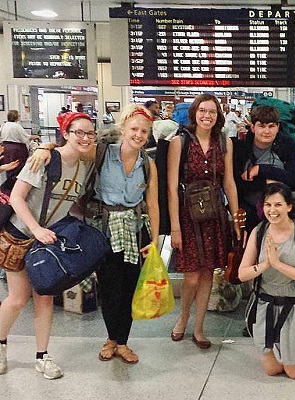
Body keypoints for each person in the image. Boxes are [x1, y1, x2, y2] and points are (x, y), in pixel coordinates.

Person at [0, 112, 95, 379]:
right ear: (65, 133)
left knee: (45, 299)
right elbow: (17, 198)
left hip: (49, 240)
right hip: (20, 235)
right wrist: (36, 229)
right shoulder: (43, 159)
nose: (85, 138)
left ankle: (42, 356)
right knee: (18, 299)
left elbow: (70, 205)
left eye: (90, 133)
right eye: (79, 132)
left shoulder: (82, 168)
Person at [168, 94, 240, 348]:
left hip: (214, 214)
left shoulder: (224, 143)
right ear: (194, 114)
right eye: (202, 111)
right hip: (188, 216)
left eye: (212, 111)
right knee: (191, 277)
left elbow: (228, 181)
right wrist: (175, 225)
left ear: (218, 116)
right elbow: (172, 188)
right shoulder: (180, 142)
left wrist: (235, 216)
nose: (207, 115)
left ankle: (199, 328)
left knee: (208, 272)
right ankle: (183, 317)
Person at [90, 104, 159, 364]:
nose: (139, 134)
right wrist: (46, 147)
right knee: (109, 289)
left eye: (144, 131)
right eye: (134, 129)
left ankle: (123, 342)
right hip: (104, 230)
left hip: (135, 231)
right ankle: (110, 338)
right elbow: (70, 153)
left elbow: (153, 204)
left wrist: (154, 241)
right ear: (123, 128)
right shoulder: (101, 153)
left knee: (130, 289)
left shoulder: (148, 165)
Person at [238, 182, 295, 379]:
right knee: (272, 369)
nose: (272, 210)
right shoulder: (259, 232)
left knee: (294, 373)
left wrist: (277, 264)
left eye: (278, 205)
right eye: (268, 205)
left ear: (289, 207)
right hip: (267, 305)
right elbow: (242, 274)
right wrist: (265, 265)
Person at [233, 105, 295, 234]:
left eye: (271, 126)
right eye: (261, 126)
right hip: (250, 215)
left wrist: (260, 170)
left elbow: (294, 180)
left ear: (278, 127)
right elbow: (237, 186)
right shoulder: (240, 149)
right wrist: (267, 182)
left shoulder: (288, 145)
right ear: (252, 127)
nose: (267, 131)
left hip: (282, 215)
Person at [0, 110, 40, 192]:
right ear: (16, 116)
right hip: (16, 149)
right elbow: (26, 137)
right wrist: (36, 137)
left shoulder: (4, 126)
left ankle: (8, 186)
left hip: (6, 148)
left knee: (8, 166)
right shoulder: (16, 126)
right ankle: (16, 187)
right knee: (17, 167)